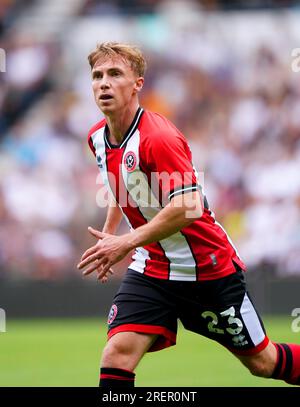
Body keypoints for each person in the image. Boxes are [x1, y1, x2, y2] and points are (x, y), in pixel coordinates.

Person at [77, 42, 300, 387]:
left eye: (115, 74)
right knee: (117, 354)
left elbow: (188, 205)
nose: (104, 83)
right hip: (152, 266)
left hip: (206, 268)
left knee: (263, 362)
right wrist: (111, 233)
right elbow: (120, 183)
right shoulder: (97, 138)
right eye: (97, 75)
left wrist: (125, 242)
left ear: (137, 83)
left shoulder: (158, 137)